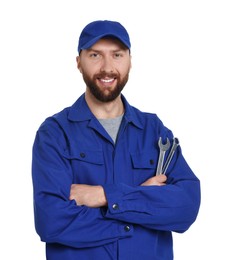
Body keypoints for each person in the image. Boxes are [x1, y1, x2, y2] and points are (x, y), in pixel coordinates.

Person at [32, 20, 201, 260]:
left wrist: (104, 196)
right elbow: (51, 221)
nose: (107, 67)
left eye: (117, 55)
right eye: (95, 55)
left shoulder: (153, 130)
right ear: (79, 62)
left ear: (130, 60)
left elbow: (186, 207)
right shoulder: (54, 134)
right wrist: (142, 207)